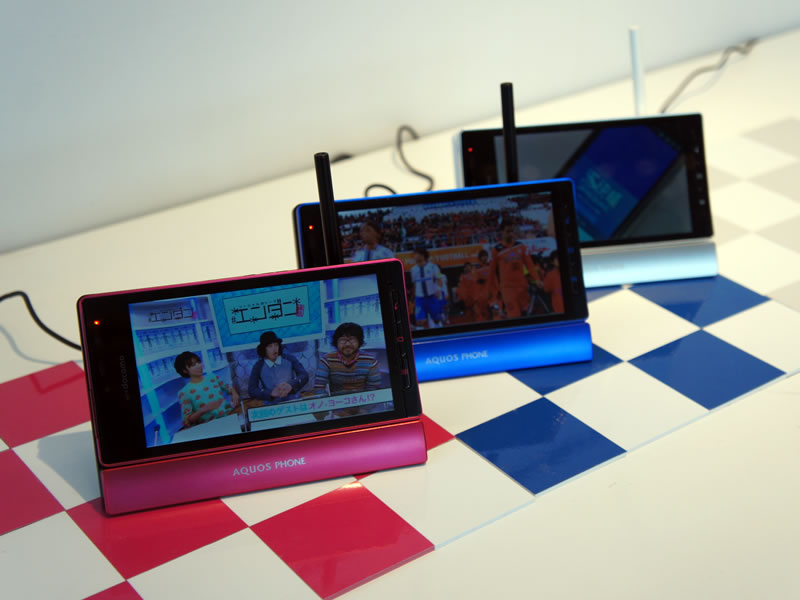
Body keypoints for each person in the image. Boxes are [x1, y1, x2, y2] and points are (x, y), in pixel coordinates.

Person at [174, 351, 239, 428]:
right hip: (209, 427)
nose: (199, 366)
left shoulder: (212, 377)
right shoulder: (184, 392)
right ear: (184, 370)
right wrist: (203, 410)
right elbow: (187, 420)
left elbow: (229, 388)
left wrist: (234, 394)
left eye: (199, 362)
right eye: (193, 365)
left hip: (230, 417)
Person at [313, 322, 381, 396]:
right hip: (337, 401)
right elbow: (319, 388)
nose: (347, 344)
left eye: (352, 339)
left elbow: (374, 390)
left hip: (363, 400)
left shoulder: (370, 361)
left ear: (359, 341)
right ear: (336, 342)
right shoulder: (326, 360)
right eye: (343, 340)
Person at [489, 223, 541, 318]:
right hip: (507, 288)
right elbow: (491, 273)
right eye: (508, 231)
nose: (510, 234)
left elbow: (529, 265)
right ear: (502, 232)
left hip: (522, 287)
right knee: (514, 315)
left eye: (512, 231)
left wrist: (537, 279)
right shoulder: (496, 250)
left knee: (526, 315)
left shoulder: (521, 246)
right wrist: (493, 290)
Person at [247, 331, 309, 402]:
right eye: (270, 346)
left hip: (293, 401)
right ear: (264, 349)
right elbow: (252, 390)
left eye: (276, 345)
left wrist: (291, 385)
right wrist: (270, 393)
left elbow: (304, 375)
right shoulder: (258, 366)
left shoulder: (289, 359)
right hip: (272, 405)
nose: (274, 349)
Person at [409, 247, 443, 328]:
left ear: (423, 255)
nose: (415, 257)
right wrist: (414, 297)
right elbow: (415, 284)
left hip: (432, 297)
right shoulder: (413, 270)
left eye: (416, 254)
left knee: (436, 319)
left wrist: (439, 290)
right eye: (414, 255)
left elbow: (440, 279)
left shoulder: (434, 267)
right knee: (419, 321)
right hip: (419, 299)